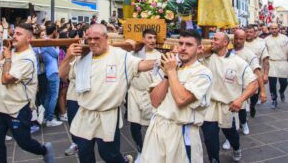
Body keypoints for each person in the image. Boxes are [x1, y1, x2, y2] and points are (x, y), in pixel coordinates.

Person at [59, 24, 156, 163]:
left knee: (109, 154)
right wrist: (68, 57)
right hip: (86, 114)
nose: (92, 42)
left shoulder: (120, 55)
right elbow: (63, 75)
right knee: (84, 153)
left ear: (106, 38)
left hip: (107, 115)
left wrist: (164, 61)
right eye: (89, 38)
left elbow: (141, 65)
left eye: (96, 38)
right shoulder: (82, 58)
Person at [140, 30, 212, 163]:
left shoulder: (203, 73)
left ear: (199, 48)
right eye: (181, 43)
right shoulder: (169, 68)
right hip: (158, 127)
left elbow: (181, 99)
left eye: (189, 44)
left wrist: (171, 71)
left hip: (182, 131)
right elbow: (155, 101)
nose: (183, 48)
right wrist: (167, 74)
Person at [0, 23, 54, 162]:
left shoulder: (28, 59)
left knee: (24, 143)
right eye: (14, 33)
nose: (14, 36)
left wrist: (7, 58)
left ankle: (44, 150)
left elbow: (6, 80)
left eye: (19, 34)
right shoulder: (11, 52)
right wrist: (3, 55)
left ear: (29, 38)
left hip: (16, 108)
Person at [201, 32, 258, 162]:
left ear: (225, 43)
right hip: (209, 106)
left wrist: (240, 99)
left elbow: (253, 84)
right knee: (210, 139)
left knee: (231, 134)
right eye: (212, 39)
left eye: (216, 39)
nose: (212, 41)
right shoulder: (206, 58)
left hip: (228, 106)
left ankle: (236, 148)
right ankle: (214, 159)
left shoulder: (238, 62)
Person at [221, 29, 266, 150]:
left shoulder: (249, 54)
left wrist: (262, 91)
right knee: (229, 116)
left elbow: (257, 72)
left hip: (242, 90)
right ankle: (229, 139)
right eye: (236, 38)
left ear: (245, 39)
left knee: (240, 113)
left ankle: (244, 123)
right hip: (228, 89)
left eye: (241, 38)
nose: (238, 41)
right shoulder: (227, 52)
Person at [127, 29, 162, 162]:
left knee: (150, 125)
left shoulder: (158, 55)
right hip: (134, 92)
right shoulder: (134, 54)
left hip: (149, 94)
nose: (152, 41)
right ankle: (140, 151)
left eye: (154, 38)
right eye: (149, 38)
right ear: (143, 39)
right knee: (134, 124)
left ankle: (152, 151)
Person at [245, 25, 269, 116]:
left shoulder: (260, 45)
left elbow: (265, 61)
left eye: (251, 32)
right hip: (242, 74)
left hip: (255, 74)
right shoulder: (240, 43)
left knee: (255, 93)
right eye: (247, 32)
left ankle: (252, 105)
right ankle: (243, 114)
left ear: (254, 33)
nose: (248, 34)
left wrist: (265, 74)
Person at [41, 23, 62, 127]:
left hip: (49, 71)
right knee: (54, 96)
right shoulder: (47, 42)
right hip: (53, 71)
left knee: (49, 96)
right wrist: (57, 43)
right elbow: (57, 53)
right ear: (54, 31)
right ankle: (49, 119)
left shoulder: (45, 40)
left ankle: (46, 117)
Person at [265, 23, 288, 108]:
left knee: (284, 83)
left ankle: (281, 91)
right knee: (272, 84)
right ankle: (274, 100)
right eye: (272, 29)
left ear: (278, 28)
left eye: (275, 28)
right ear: (270, 29)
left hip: (283, 62)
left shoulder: (285, 39)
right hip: (272, 63)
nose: (274, 30)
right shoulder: (266, 40)